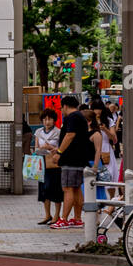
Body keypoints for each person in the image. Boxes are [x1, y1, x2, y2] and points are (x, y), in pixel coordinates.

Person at [47, 95, 90, 229]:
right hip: (78, 158)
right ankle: (77, 218)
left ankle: (64, 219)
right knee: (76, 188)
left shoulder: (72, 117)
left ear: (65, 106)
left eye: (61, 108)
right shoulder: (80, 117)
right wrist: (58, 148)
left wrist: (59, 152)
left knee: (68, 189)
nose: (61, 110)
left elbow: (70, 135)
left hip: (70, 159)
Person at [34, 109, 62, 225]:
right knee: (43, 189)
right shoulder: (38, 132)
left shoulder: (58, 132)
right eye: (45, 119)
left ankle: (56, 215)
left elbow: (61, 148)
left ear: (54, 120)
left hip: (54, 163)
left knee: (55, 189)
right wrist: (38, 150)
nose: (47, 122)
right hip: (41, 162)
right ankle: (47, 215)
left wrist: (50, 147)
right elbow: (35, 147)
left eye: (49, 119)